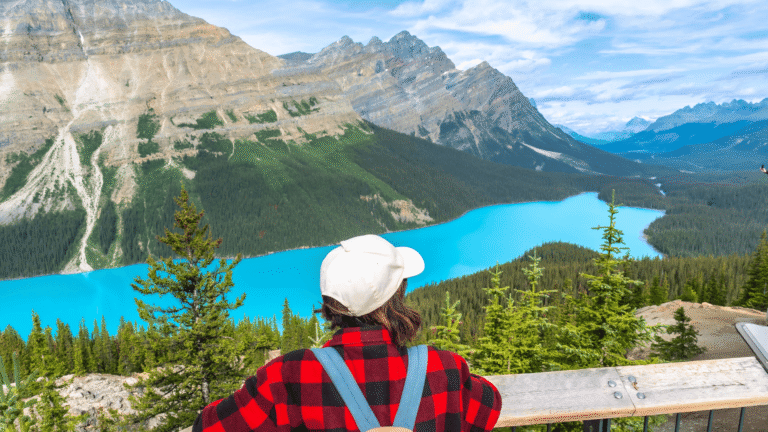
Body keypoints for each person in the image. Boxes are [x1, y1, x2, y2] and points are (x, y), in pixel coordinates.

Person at [193, 234, 502, 432]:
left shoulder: (290, 375)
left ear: (330, 304)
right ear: (398, 296)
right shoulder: (443, 368)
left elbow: (207, 427)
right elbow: (490, 405)